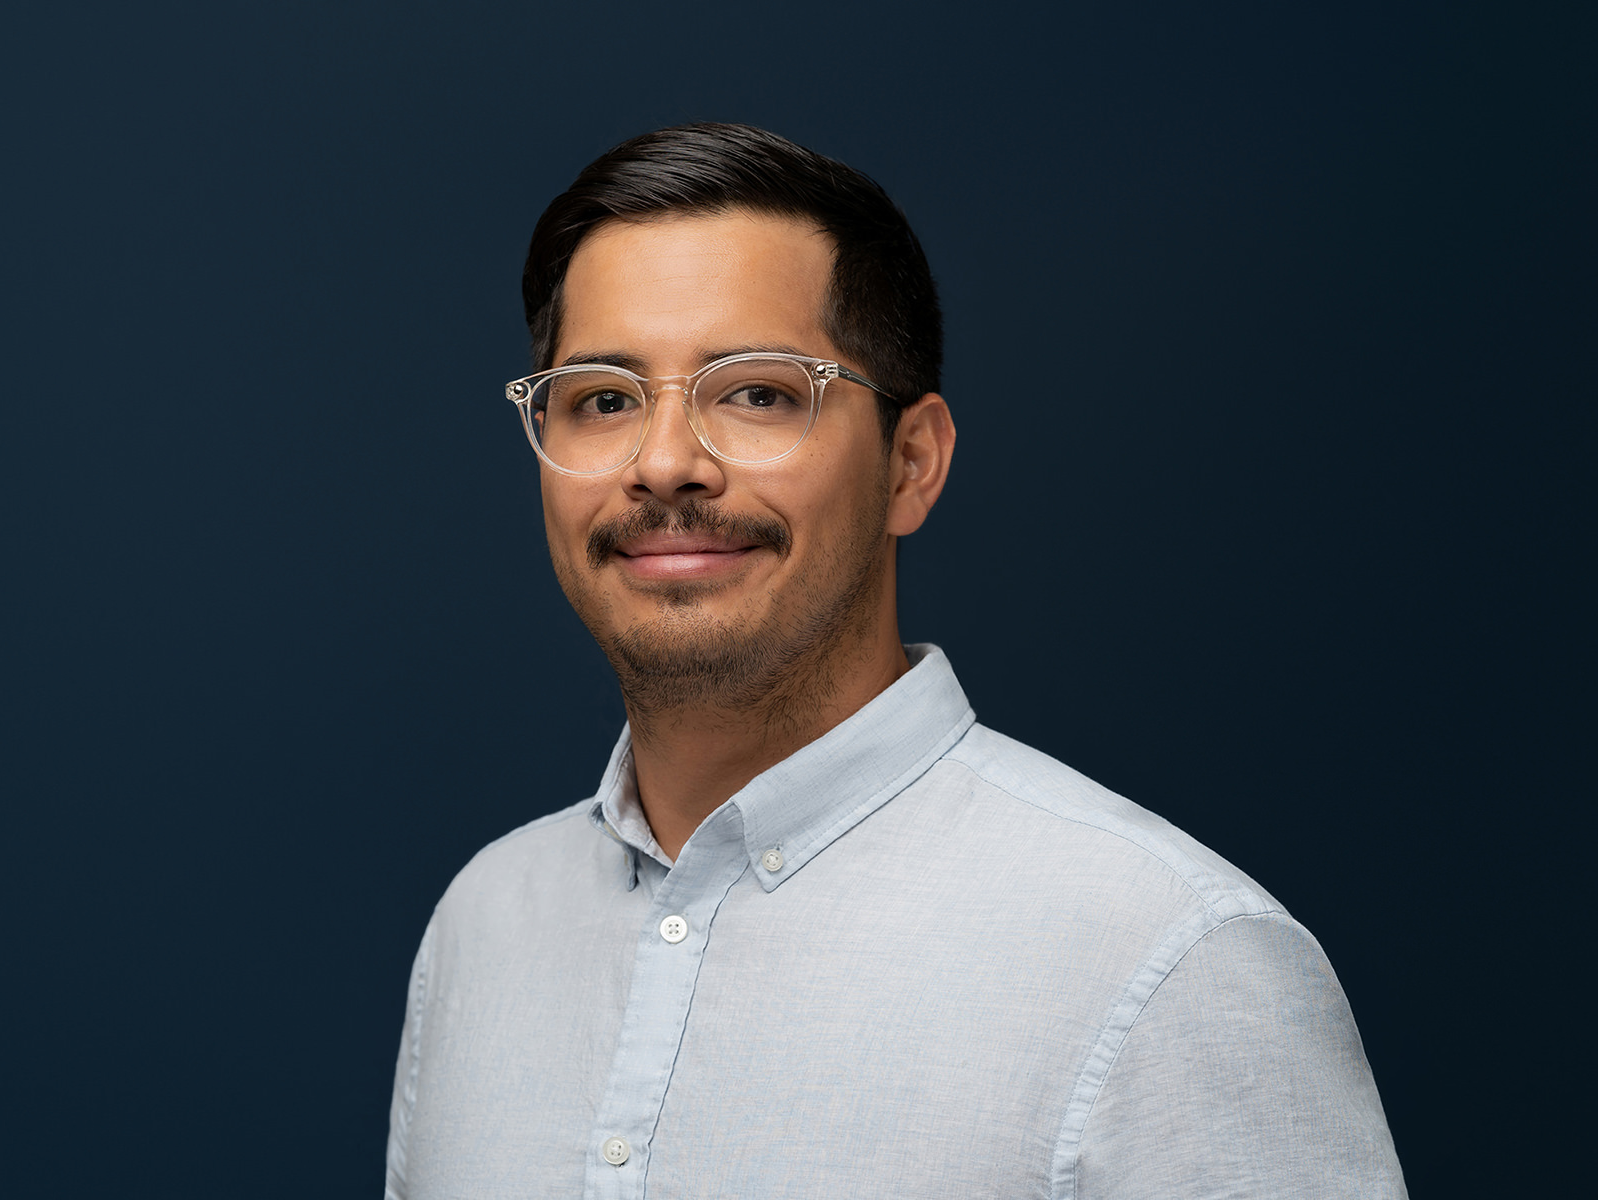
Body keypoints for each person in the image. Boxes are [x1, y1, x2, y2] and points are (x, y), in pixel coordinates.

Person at [386, 122, 1407, 1199]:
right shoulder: (484, 926)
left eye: (758, 392)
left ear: (912, 464)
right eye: (603, 398)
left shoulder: (1168, 962)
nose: (667, 463)